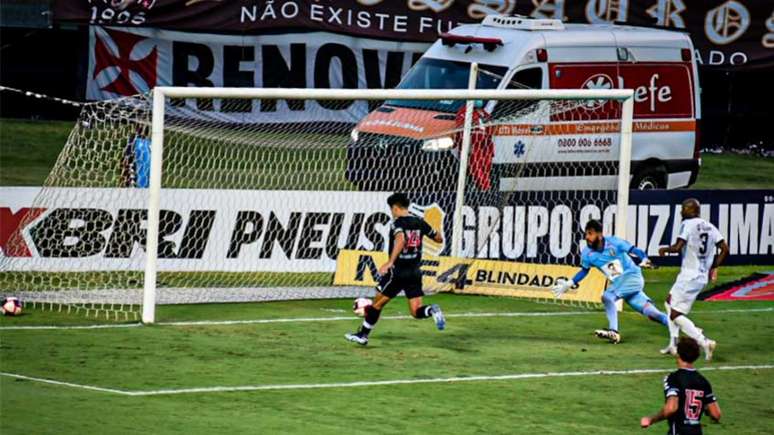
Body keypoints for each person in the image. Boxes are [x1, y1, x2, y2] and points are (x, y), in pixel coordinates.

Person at [345, 193, 446, 345]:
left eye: (391, 209)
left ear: (396, 208)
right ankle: (432, 310)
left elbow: (400, 239)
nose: (392, 212)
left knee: (377, 305)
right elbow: (439, 238)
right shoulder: (419, 221)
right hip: (415, 272)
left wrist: (390, 262)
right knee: (416, 311)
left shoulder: (396, 223)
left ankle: (363, 335)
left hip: (398, 272)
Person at [552, 219, 667, 343]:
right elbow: (584, 270)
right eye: (586, 234)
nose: (587, 237)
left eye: (590, 234)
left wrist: (644, 259)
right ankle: (679, 324)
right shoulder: (587, 253)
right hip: (622, 285)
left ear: (600, 235)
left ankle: (614, 331)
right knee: (653, 314)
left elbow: (635, 250)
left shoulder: (614, 242)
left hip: (632, 276)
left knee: (607, 296)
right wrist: (569, 283)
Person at [658, 198, 729, 359]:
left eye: (683, 209)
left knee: (675, 314)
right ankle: (673, 344)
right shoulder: (710, 226)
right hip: (700, 276)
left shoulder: (687, 225)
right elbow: (725, 249)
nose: (681, 211)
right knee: (669, 302)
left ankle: (703, 341)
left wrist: (664, 250)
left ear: (692, 210)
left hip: (689, 276)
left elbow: (677, 247)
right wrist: (714, 267)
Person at [640, 337, 722, 434]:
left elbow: (671, 408)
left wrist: (651, 419)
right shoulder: (703, 381)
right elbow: (716, 414)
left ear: (678, 354)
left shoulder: (673, 378)